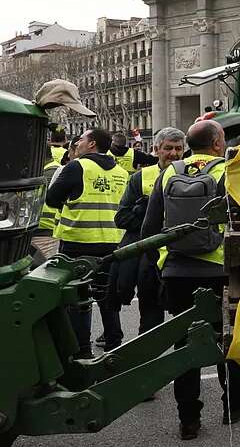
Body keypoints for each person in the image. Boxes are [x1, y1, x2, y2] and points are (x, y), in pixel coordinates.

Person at [142, 120, 240, 440]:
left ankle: (188, 419)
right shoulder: (226, 172)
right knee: (226, 339)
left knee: (185, 344)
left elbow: (149, 231)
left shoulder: (169, 173)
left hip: (177, 272)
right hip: (218, 272)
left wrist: (163, 266)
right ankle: (233, 405)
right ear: (216, 144)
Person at [44, 127, 129, 358]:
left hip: (78, 243)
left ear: (92, 144)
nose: (77, 144)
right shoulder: (121, 173)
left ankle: (82, 351)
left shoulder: (77, 167)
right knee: (106, 295)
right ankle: (115, 343)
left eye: (81, 140)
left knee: (79, 297)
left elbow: (52, 199)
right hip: (113, 243)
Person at [112, 127, 184, 341]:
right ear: (156, 150)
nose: (173, 153)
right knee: (150, 323)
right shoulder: (140, 178)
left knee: (184, 321)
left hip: (179, 259)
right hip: (149, 262)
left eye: (178, 148)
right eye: (168, 148)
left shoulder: (192, 175)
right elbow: (122, 218)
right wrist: (150, 221)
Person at [30, 128, 69, 261]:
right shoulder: (48, 169)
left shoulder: (50, 172)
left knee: (45, 267)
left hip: (46, 230)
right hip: (43, 229)